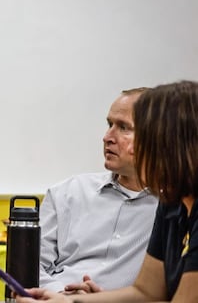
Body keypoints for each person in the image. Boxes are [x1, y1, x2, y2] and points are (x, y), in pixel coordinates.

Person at [19, 80, 198, 302]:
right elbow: (145, 292)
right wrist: (68, 300)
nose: (108, 138)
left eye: (127, 129)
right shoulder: (170, 204)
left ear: (180, 145)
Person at [39, 88, 158, 293]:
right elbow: (28, 266)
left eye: (123, 127)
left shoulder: (175, 207)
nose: (107, 137)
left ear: (156, 137)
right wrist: (62, 294)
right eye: (109, 124)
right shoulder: (67, 193)